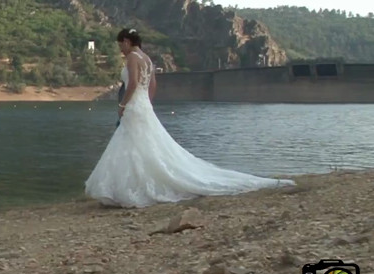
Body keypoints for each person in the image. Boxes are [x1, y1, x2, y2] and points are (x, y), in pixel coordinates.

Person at [85, 28, 295, 208]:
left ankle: (126, 188)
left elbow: (132, 83)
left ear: (127, 41)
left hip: (134, 105)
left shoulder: (132, 57)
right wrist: (146, 102)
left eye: (120, 44)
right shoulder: (147, 59)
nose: (120, 48)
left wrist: (123, 105)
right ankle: (130, 186)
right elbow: (152, 85)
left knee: (133, 145)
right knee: (142, 145)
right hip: (143, 106)